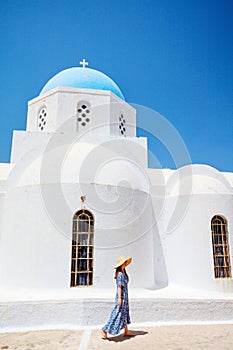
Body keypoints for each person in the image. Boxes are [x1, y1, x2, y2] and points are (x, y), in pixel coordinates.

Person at [101, 256, 135, 339]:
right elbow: (119, 286)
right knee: (117, 313)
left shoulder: (123, 272)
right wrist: (119, 298)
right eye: (124, 262)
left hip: (125, 296)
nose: (125, 264)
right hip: (121, 296)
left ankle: (126, 331)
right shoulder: (120, 274)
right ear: (121, 264)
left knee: (125, 313)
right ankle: (104, 329)